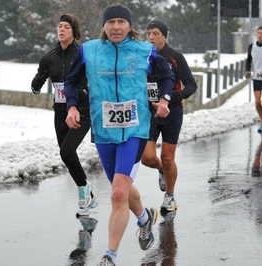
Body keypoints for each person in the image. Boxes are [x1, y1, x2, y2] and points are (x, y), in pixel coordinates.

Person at [63, 4, 175, 266]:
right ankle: (145, 218)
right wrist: (70, 105)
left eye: (120, 22)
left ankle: (109, 256)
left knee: (117, 193)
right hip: (104, 131)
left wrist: (165, 99)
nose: (115, 27)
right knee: (120, 189)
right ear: (104, 26)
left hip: (135, 130)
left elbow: (167, 76)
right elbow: (71, 81)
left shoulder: (144, 51)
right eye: (110, 22)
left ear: (129, 26)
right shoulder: (89, 51)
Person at [31, 13, 97, 216]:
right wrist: (36, 84)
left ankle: (83, 194)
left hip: (81, 111)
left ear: (74, 32)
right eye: (59, 26)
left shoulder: (83, 55)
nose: (61, 29)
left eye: (66, 27)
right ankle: (89, 192)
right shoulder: (49, 57)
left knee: (67, 152)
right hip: (60, 113)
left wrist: (84, 93)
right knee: (66, 155)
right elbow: (39, 80)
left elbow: (94, 79)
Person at [142, 19, 197, 213]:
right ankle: (161, 170)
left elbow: (191, 84)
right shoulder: (142, 56)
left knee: (167, 157)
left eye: (156, 33)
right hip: (149, 112)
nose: (151, 37)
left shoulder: (175, 57)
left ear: (164, 36)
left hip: (172, 112)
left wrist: (178, 95)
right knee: (147, 158)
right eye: (148, 33)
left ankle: (170, 196)